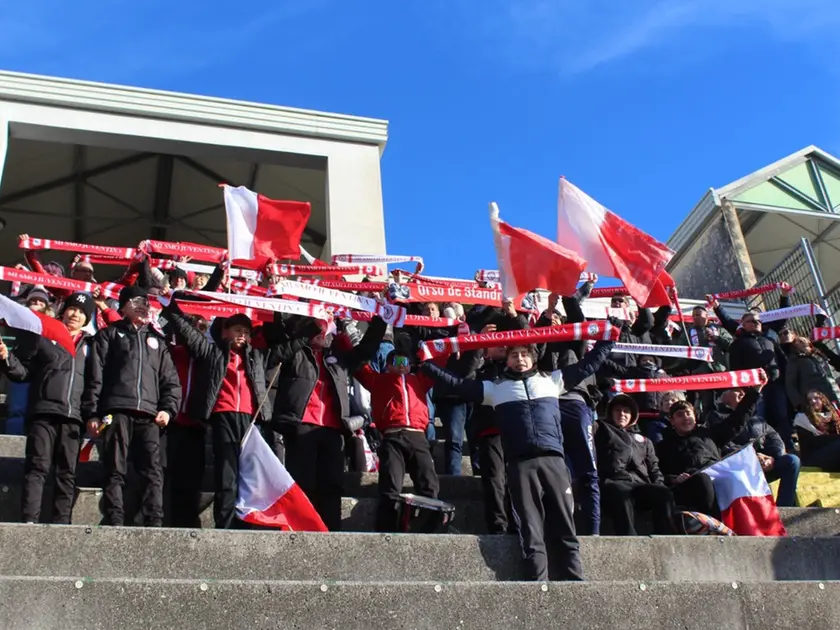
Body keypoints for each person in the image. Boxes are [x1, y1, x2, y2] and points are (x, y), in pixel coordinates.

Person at [421, 339, 615, 581]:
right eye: (514, 355)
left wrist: (607, 341)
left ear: (533, 358)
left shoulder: (552, 380)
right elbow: (458, 385)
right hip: (520, 465)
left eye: (524, 354)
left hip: (554, 461)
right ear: (507, 359)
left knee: (565, 524)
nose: (520, 359)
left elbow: (588, 365)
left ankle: (575, 580)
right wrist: (426, 364)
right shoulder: (495, 388)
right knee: (530, 528)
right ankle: (537, 584)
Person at [163, 296, 289, 528]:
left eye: (246, 331)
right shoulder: (212, 353)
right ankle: (226, 523)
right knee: (227, 473)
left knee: (249, 475)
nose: (242, 334)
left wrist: (312, 322)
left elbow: (287, 347)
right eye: (237, 329)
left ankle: (246, 521)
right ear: (225, 332)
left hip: (251, 421)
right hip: (223, 416)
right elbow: (185, 329)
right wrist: (167, 302)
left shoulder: (257, 357)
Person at [271, 315, 386, 530]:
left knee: (332, 484)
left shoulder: (339, 358)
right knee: (302, 481)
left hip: (334, 429)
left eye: (325, 331)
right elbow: (276, 346)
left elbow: (365, 350)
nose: (322, 335)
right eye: (317, 331)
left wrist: (380, 320)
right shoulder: (295, 354)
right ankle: (300, 529)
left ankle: (330, 532)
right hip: (301, 425)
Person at [82, 286, 181, 527]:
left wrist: (168, 409)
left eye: (145, 301)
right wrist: (93, 413)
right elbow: (95, 376)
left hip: (149, 415)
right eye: (135, 301)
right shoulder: (108, 335)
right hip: (116, 411)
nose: (142, 305)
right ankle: (115, 518)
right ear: (123, 306)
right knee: (115, 468)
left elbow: (171, 382)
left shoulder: (158, 341)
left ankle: (154, 520)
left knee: (153, 471)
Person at [0, 293, 95, 523]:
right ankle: (29, 521)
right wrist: (6, 358)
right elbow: (23, 372)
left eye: (82, 312)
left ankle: (62, 523)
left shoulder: (92, 346)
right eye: (72, 308)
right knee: (37, 468)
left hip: (73, 418)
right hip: (43, 413)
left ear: (86, 319)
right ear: (63, 310)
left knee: (66, 474)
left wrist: (93, 414)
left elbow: (94, 383)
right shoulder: (42, 337)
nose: (76, 314)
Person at [354, 332, 439, 532]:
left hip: (418, 436)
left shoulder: (419, 380)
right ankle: (387, 530)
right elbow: (357, 364)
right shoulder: (378, 380)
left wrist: (446, 339)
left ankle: (428, 529)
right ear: (388, 365)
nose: (403, 365)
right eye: (397, 361)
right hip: (392, 436)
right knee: (390, 485)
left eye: (406, 362)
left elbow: (440, 362)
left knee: (429, 483)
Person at [656, 386, 762, 516]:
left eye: (688, 413)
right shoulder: (663, 446)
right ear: (672, 421)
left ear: (695, 416)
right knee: (702, 479)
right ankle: (713, 524)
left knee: (738, 476)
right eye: (679, 415)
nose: (685, 418)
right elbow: (657, 474)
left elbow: (737, 420)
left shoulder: (710, 435)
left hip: (717, 482)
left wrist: (755, 392)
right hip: (686, 488)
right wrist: (674, 479)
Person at [712, 303, 792, 448]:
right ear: (743, 324)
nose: (757, 323)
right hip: (754, 389)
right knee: (758, 419)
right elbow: (735, 367)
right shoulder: (738, 343)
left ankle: (786, 446)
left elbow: (781, 361)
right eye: (752, 321)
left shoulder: (769, 340)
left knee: (782, 416)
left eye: (758, 321)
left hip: (775, 385)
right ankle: (761, 448)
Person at [595, 394, 675, 535]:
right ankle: (629, 541)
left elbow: (654, 468)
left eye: (626, 411)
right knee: (621, 493)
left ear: (633, 415)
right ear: (610, 413)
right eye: (617, 410)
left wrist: (658, 484)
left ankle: (665, 539)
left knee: (664, 493)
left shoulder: (645, 441)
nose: (622, 414)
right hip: (613, 482)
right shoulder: (601, 429)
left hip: (640, 485)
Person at [705, 388, 800, 507]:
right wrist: (753, 458)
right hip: (741, 467)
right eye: (736, 390)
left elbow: (774, 437)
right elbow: (724, 446)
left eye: (744, 391)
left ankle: (784, 508)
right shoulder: (715, 418)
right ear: (723, 396)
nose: (742, 393)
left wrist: (772, 457)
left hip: (765, 465)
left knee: (792, 461)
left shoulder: (757, 419)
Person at [786, 336, 839, 411]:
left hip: (829, 396)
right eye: (800, 342)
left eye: (805, 341)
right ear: (795, 347)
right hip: (813, 400)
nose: (804, 343)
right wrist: (799, 404)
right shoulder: (795, 361)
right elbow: (790, 383)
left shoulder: (815, 357)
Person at [793, 390, 840, 471]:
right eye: (809, 400)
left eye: (816, 398)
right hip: (814, 456)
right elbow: (814, 442)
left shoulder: (832, 415)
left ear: (822, 399)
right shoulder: (802, 418)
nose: (813, 401)